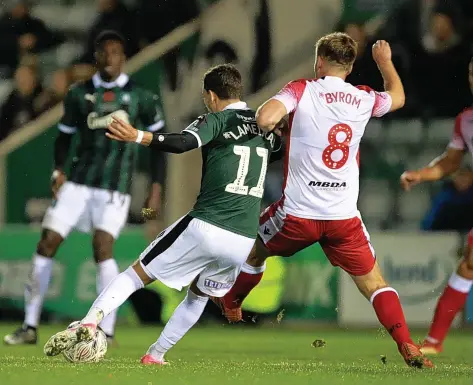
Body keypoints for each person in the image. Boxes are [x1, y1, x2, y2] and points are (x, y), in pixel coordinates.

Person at [213, 32, 434, 368]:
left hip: (298, 215)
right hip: (343, 217)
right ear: (350, 66)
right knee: (375, 283)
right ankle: (407, 344)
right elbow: (398, 97)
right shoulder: (362, 98)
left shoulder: (302, 89)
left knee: (255, 251)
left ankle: (232, 303)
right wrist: (385, 64)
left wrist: (284, 125)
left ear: (319, 62)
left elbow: (264, 118)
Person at [42, 64, 282, 364]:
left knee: (134, 275)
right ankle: (156, 355)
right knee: (198, 296)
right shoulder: (263, 125)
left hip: (208, 223)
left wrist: (138, 136)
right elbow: (279, 150)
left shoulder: (216, 120)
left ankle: (89, 322)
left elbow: (183, 143)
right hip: (243, 239)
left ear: (210, 95)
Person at [3, 30, 166, 346]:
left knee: (102, 247)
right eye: (104, 53)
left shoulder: (142, 97)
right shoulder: (79, 95)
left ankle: (107, 328)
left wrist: (156, 186)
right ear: (96, 57)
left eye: (116, 52)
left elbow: (159, 143)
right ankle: (30, 326)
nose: (110, 59)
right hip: (77, 183)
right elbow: (64, 137)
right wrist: (58, 170)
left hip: (114, 188)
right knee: (47, 242)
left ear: (124, 57)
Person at [400, 58, 473, 355]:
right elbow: (450, 162)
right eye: (471, 73)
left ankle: (434, 342)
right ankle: (433, 342)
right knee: (469, 264)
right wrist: (422, 174)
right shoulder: (466, 120)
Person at [0, 65, 45, 141]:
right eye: (20, 77)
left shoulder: (43, 95)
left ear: (34, 77)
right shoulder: (10, 104)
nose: (23, 81)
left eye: (27, 77)